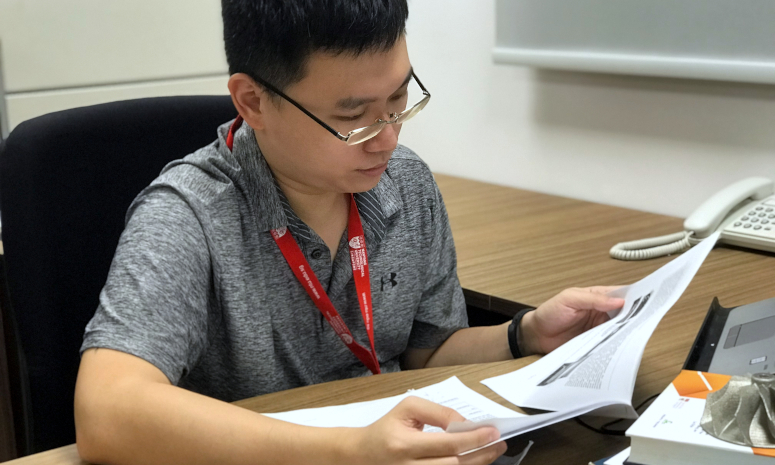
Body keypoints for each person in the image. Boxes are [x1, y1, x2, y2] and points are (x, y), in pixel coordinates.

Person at [74, 1, 625, 464]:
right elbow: (105, 412)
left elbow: (425, 354)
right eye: (353, 116)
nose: (385, 139)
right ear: (253, 101)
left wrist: (522, 335)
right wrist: (349, 451)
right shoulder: (188, 213)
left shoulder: (404, 183)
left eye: (398, 99)